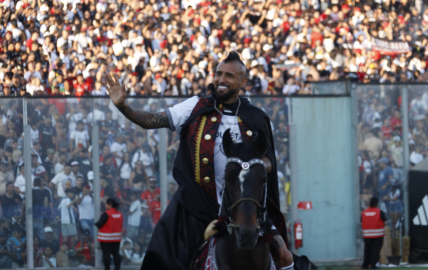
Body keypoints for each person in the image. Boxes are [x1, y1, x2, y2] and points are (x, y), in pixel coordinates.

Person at [106, 51, 293, 269]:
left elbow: (268, 162)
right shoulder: (195, 105)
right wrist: (123, 106)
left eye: (229, 76)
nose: (221, 80)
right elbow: (152, 120)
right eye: (218, 74)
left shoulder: (257, 117)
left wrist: (251, 167)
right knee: (166, 262)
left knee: (284, 257)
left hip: (246, 209)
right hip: (196, 206)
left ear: (243, 82)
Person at [95, 198, 123, 270]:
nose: (105, 205)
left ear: (110, 205)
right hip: (116, 238)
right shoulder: (120, 214)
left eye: (106, 204)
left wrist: (96, 223)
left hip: (105, 238)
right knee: (116, 253)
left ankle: (107, 268)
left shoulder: (106, 213)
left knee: (106, 254)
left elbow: (99, 224)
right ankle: (117, 268)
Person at [361, 197, 387, 269]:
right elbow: (385, 222)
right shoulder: (379, 211)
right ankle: (373, 265)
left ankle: (365, 265)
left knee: (367, 250)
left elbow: (361, 222)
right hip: (378, 235)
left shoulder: (364, 212)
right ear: (377, 203)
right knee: (375, 251)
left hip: (366, 235)